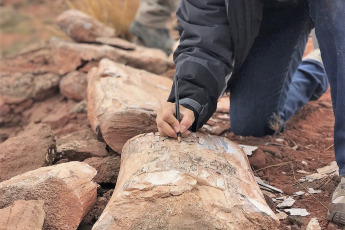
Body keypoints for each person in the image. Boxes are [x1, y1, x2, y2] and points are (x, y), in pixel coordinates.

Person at [155, 0, 345, 225]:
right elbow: (203, 28)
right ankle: (318, 68)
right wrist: (189, 97)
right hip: (273, 12)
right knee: (252, 124)